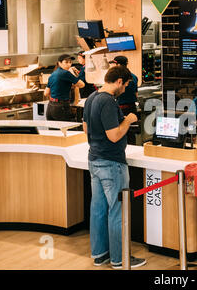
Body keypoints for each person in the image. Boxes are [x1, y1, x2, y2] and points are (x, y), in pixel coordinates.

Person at [82, 65, 146, 270]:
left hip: (94, 159)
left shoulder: (92, 97)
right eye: (126, 85)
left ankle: (100, 255)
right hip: (112, 163)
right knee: (117, 211)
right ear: (119, 82)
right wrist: (128, 119)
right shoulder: (108, 102)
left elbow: (86, 128)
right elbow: (114, 135)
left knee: (98, 210)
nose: (126, 89)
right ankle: (120, 259)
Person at [44, 54, 85, 121]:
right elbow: (82, 85)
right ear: (59, 63)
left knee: (53, 130)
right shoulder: (66, 73)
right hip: (61, 107)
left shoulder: (53, 74)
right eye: (66, 62)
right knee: (68, 130)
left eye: (70, 62)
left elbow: (46, 93)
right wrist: (74, 79)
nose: (69, 64)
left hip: (50, 107)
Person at [109, 56, 139, 144]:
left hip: (121, 109)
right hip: (132, 108)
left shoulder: (118, 79)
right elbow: (136, 94)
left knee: (121, 133)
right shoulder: (134, 76)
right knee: (131, 134)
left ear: (118, 64)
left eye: (114, 64)